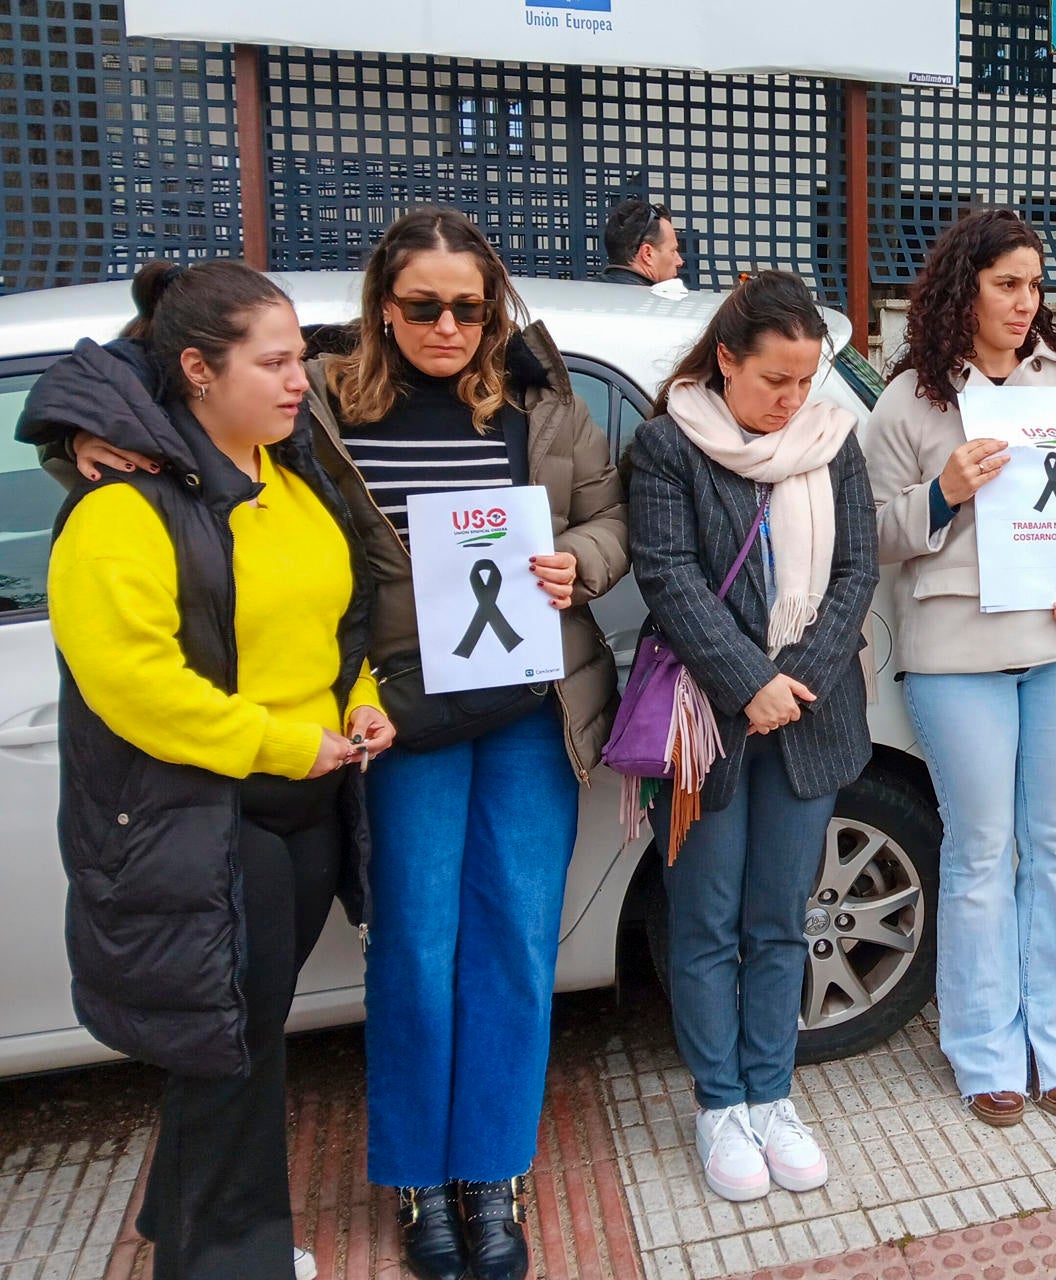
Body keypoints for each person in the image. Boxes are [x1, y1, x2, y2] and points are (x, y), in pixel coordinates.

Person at [22, 260, 392, 1280]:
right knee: (232, 1048)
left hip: (307, 803)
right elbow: (135, 683)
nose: (296, 382)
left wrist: (357, 693)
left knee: (237, 1031)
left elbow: (336, 617)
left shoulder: (286, 472)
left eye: (297, 361)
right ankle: (228, 1255)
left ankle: (185, 1221)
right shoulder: (119, 508)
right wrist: (283, 741)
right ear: (195, 368)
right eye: (271, 363)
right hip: (210, 809)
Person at [319, 210, 627, 1280]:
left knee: (513, 945)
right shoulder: (324, 405)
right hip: (405, 718)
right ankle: (417, 1172)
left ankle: (490, 1172)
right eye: (423, 306)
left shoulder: (541, 400)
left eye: (469, 305)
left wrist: (577, 562)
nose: (448, 324)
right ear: (383, 307)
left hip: (529, 713)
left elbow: (614, 515)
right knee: (413, 945)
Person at [866, 210, 1056, 1126]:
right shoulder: (908, 399)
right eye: (1007, 285)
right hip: (958, 658)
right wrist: (942, 494)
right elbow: (865, 536)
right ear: (964, 289)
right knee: (983, 852)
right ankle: (986, 1049)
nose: (1026, 303)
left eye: (1034, 285)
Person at [627, 271, 878, 1200]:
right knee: (705, 920)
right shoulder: (667, 447)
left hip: (808, 722)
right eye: (774, 379)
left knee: (782, 918)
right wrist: (749, 684)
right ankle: (719, 1103)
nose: (790, 400)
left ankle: (773, 1093)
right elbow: (668, 575)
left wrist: (797, 681)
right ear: (726, 360)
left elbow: (856, 567)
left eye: (805, 380)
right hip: (706, 723)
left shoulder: (832, 439)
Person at [601, 195, 685, 286]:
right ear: (647, 254)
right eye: (672, 251)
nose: (679, 262)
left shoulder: (585, 292)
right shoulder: (654, 299)